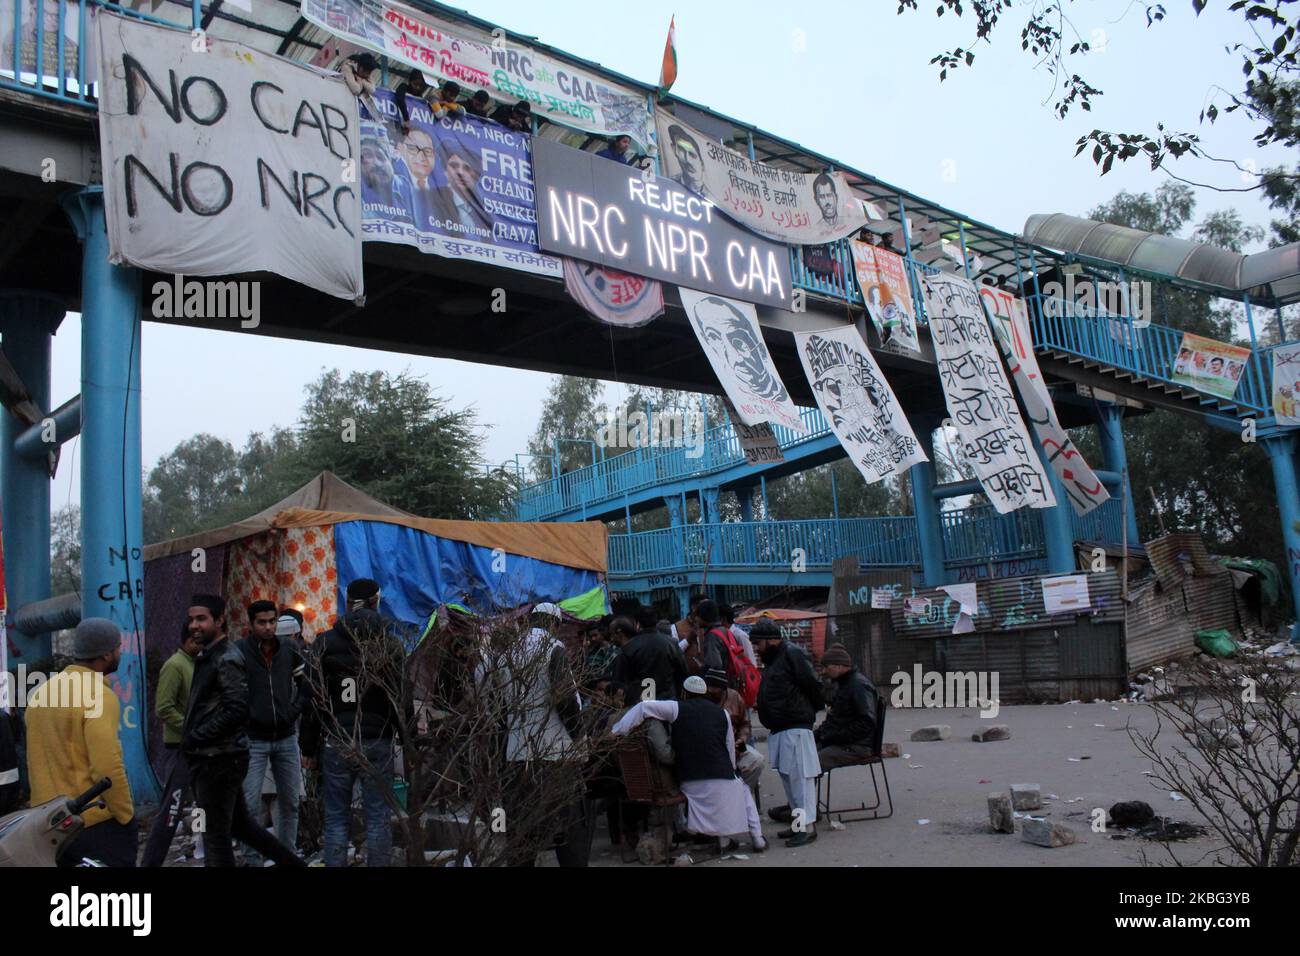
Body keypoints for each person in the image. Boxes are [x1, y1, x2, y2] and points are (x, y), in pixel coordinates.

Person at [182, 594, 305, 868]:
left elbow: (236, 709)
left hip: (222, 756)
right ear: (251, 624)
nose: (194, 625)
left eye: (201, 619)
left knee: (219, 834)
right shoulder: (219, 654)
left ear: (219, 620)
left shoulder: (226, 657)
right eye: (191, 620)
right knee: (242, 825)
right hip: (227, 751)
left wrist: (195, 736)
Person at [301, 578, 408, 868]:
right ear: (376, 602)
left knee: (336, 818)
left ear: (347, 603)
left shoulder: (325, 643)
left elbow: (312, 698)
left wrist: (308, 747)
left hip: (337, 740)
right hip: (378, 741)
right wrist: (407, 740)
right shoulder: (390, 644)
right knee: (378, 818)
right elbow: (402, 697)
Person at [25, 618, 136, 866]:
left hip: (49, 826)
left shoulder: (42, 694)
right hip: (92, 822)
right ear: (107, 654)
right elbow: (106, 765)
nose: (120, 652)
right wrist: (125, 814)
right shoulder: (98, 695)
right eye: (118, 648)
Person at [612, 675, 766, 853]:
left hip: (691, 782)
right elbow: (729, 747)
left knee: (714, 797)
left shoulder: (676, 708)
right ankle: (757, 839)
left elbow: (644, 707)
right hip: (723, 780)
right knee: (743, 791)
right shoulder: (722, 713)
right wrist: (731, 772)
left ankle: (722, 842)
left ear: (684, 693)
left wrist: (617, 731)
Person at [495, 602, 591, 866]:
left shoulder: (506, 653)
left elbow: (500, 708)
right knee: (569, 827)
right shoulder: (552, 649)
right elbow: (564, 699)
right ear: (554, 624)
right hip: (555, 752)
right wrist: (579, 737)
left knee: (522, 830)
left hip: (516, 755)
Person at [238, 599, 306, 865]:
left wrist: (293, 711)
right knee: (250, 805)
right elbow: (231, 692)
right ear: (251, 624)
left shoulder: (288, 648)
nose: (268, 627)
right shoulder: (240, 652)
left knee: (290, 803)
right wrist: (247, 717)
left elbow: (306, 684)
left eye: (271, 621)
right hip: (253, 739)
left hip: (287, 737)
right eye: (262, 622)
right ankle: (251, 860)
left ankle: (286, 857)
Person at [752, 619, 824, 848]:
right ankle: (798, 826)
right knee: (790, 781)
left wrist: (804, 711)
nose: (757, 648)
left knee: (800, 781)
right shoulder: (777, 658)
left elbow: (812, 684)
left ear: (771, 640)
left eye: (759, 643)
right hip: (783, 728)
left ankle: (807, 828)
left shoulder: (792, 654)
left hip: (795, 727)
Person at [141, 621, 204, 867]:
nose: (199, 646)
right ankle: (152, 860)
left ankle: (201, 844)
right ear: (185, 641)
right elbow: (164, 708)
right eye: (195, 641)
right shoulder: (175, 666)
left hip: (199, 746)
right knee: (172, 809)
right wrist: (192, 727)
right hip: (179, 748)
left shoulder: (196, 664)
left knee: (202, 803)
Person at [815, 644, 880, 769]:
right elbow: (835, 719)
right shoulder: (845, 684)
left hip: (857, 746)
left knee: (811, 761)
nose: (823, 672)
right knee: (806, 754)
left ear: (839, 666)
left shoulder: (857, 686)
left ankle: (806, 789)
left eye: (826, 667)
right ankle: (804, 788)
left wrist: (832, 737)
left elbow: (866, 723)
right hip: (848, 742)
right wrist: (819, 735)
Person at [609, 604, 690, 703]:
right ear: (656, 621)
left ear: (637, 624)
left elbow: (618, 682)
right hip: (668, 702)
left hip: (640, 704)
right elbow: (683, 672)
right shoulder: (671, 643)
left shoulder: (628, 648)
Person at [703, 668, 766, 791]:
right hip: (710, 750)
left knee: (757, 761)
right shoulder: (702, 697)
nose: (711, 691)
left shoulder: (735, 697)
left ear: (723, 688)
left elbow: (744, 723)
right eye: (709, 688)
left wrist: (741, 739)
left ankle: (740, 794)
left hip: (734, 746)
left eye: (715, 689)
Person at [666, 123, 707, 196]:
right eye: (682, 150)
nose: (688, 160)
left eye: (692, 155)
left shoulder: (715, 202)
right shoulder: (668, 184)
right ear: (674, 150)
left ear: (702, 165)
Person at [340, 51, 381, 120]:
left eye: (369, 73)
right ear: (360, 66)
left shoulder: (367, 74)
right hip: (341, 101)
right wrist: (361, 83)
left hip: (354, 108)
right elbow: (356, 90)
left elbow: (372, 90)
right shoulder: (347, 68)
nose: (366, 75)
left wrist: (362, 81)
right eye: (365, 71)